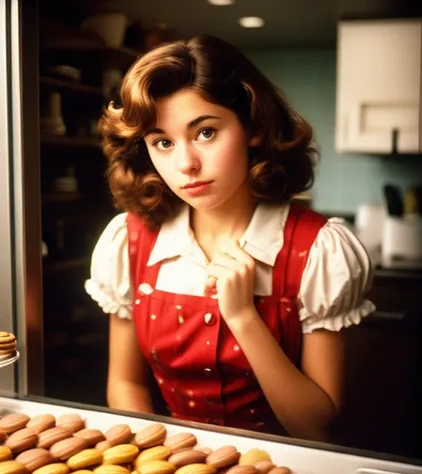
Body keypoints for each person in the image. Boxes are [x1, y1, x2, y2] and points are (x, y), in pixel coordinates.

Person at [85, 34, 375, 443]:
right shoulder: (128, 242)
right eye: (163, 143)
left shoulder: (319, 250)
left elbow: (318, 427)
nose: (185, 163)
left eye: (205, 132)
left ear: (254, 127)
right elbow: (126, 385)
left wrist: (242, 317)